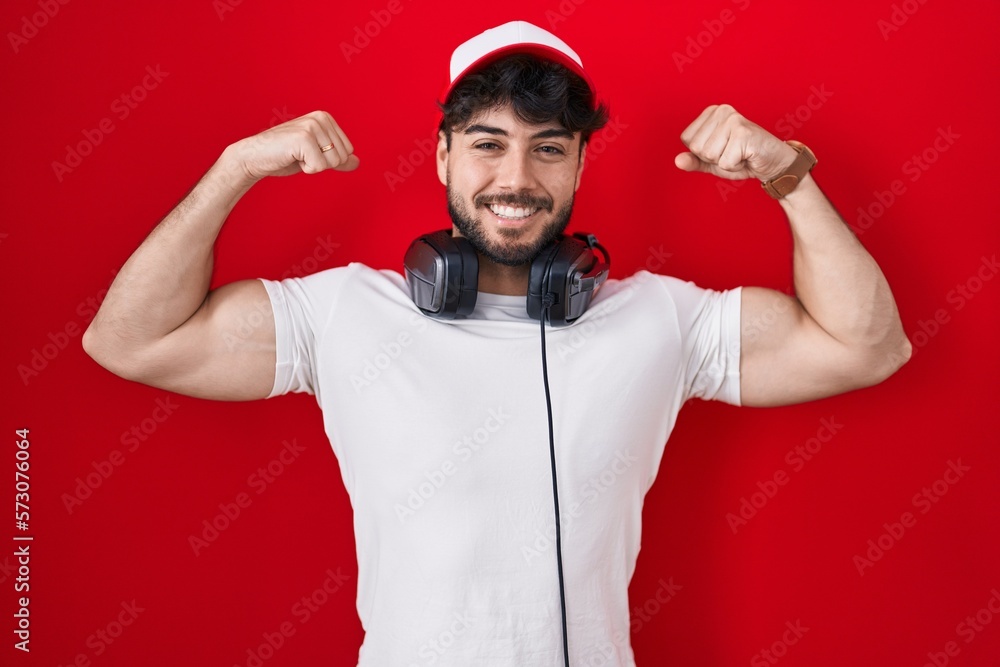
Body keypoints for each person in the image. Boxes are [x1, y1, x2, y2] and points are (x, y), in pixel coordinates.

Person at [82, 20, 910, 667]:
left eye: (548, 148)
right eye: (487, 143)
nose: (516, 178)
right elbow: (132, 340)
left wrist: (786, 176)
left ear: (581, 166)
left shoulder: (660, 319)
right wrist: (234, 168)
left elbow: (865, 346)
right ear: (443, 152)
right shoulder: (343, 313)